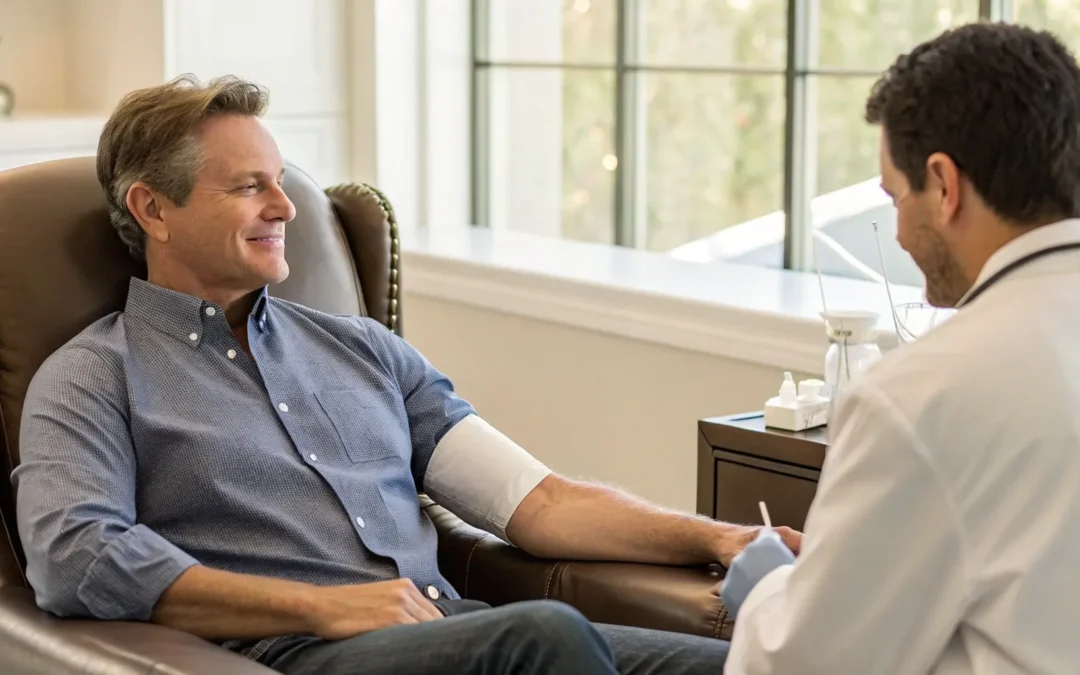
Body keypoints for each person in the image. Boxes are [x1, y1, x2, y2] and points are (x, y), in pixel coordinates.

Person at [12, 74, 800, 675]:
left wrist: (723, 535)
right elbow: (77, 556)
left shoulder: (364, 350)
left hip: (451, 630)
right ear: (153, 209)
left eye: (280, 180)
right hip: (297, 652)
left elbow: (538, 501)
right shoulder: (91, 377)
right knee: (543, 636)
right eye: (249, 186)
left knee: (753, 663)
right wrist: (325, 608)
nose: (286, 206)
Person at [719, 22, 1080, 675]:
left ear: (944, 185)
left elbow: (805, 663)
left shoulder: (923, 395)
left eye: (894, 197)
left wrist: (771, 591)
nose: (899, 233)